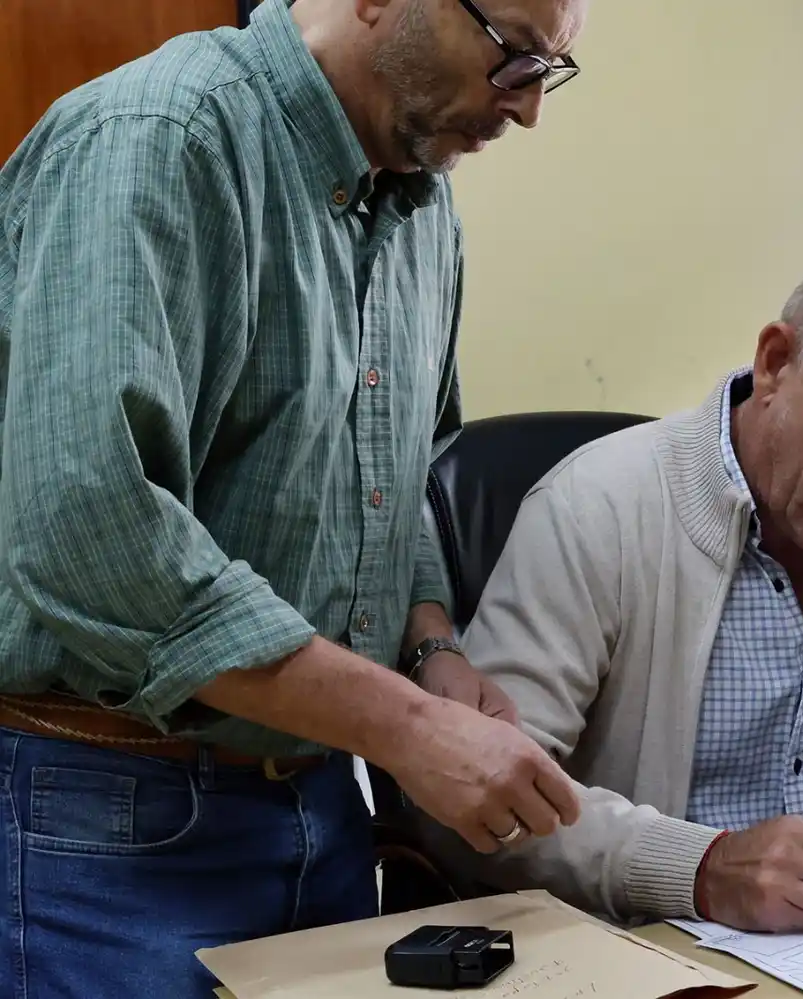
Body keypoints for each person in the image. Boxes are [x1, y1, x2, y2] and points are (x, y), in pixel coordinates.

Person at [0, 0, 589, 994]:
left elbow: (400, 477)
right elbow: (89, 531)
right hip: (106, 826)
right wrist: (403, 726)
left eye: (549, 69)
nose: (527, 110)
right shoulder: (158, 141)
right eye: (513, 57)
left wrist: (434, 648)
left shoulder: (422, 207)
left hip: (321, 804)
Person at [419, 239, 803, 934]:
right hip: (633, 955)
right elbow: (481, 802)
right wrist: (701, 869)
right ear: (776, 362)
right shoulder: (593, 509)